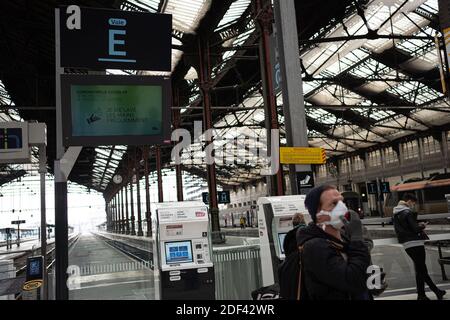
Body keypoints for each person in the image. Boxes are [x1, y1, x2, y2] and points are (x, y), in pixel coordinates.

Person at [296, 184, 371, 300]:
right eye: (334, 204)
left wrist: (371, 282)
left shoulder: (343, 238)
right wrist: (357, 239)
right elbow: (351, 280)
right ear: (318, 214)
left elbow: (358, 271)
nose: (342, 207)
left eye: (342, 201)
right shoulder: (315, 247)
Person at [393, 193, 446, 300]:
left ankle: (422, 295)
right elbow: (415, 229)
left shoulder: (395, 213)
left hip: (406, 244)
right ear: (408, 201)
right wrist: (422, 225)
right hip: (416, 243)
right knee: (422, 269)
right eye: (413, 203)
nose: (413, 205)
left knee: (420, 269)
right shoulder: (407, 212)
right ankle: (436, 291)